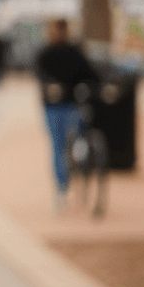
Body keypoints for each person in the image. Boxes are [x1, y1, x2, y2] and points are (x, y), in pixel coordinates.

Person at [34, 18, 99, 210]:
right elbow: (40, 74)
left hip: (71, 104)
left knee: (74, 137)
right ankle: (61, 186)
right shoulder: (46, 54)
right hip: (53, 107)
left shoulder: (74, 52)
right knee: (58, 146)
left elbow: (91, 74)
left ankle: (78, 161)